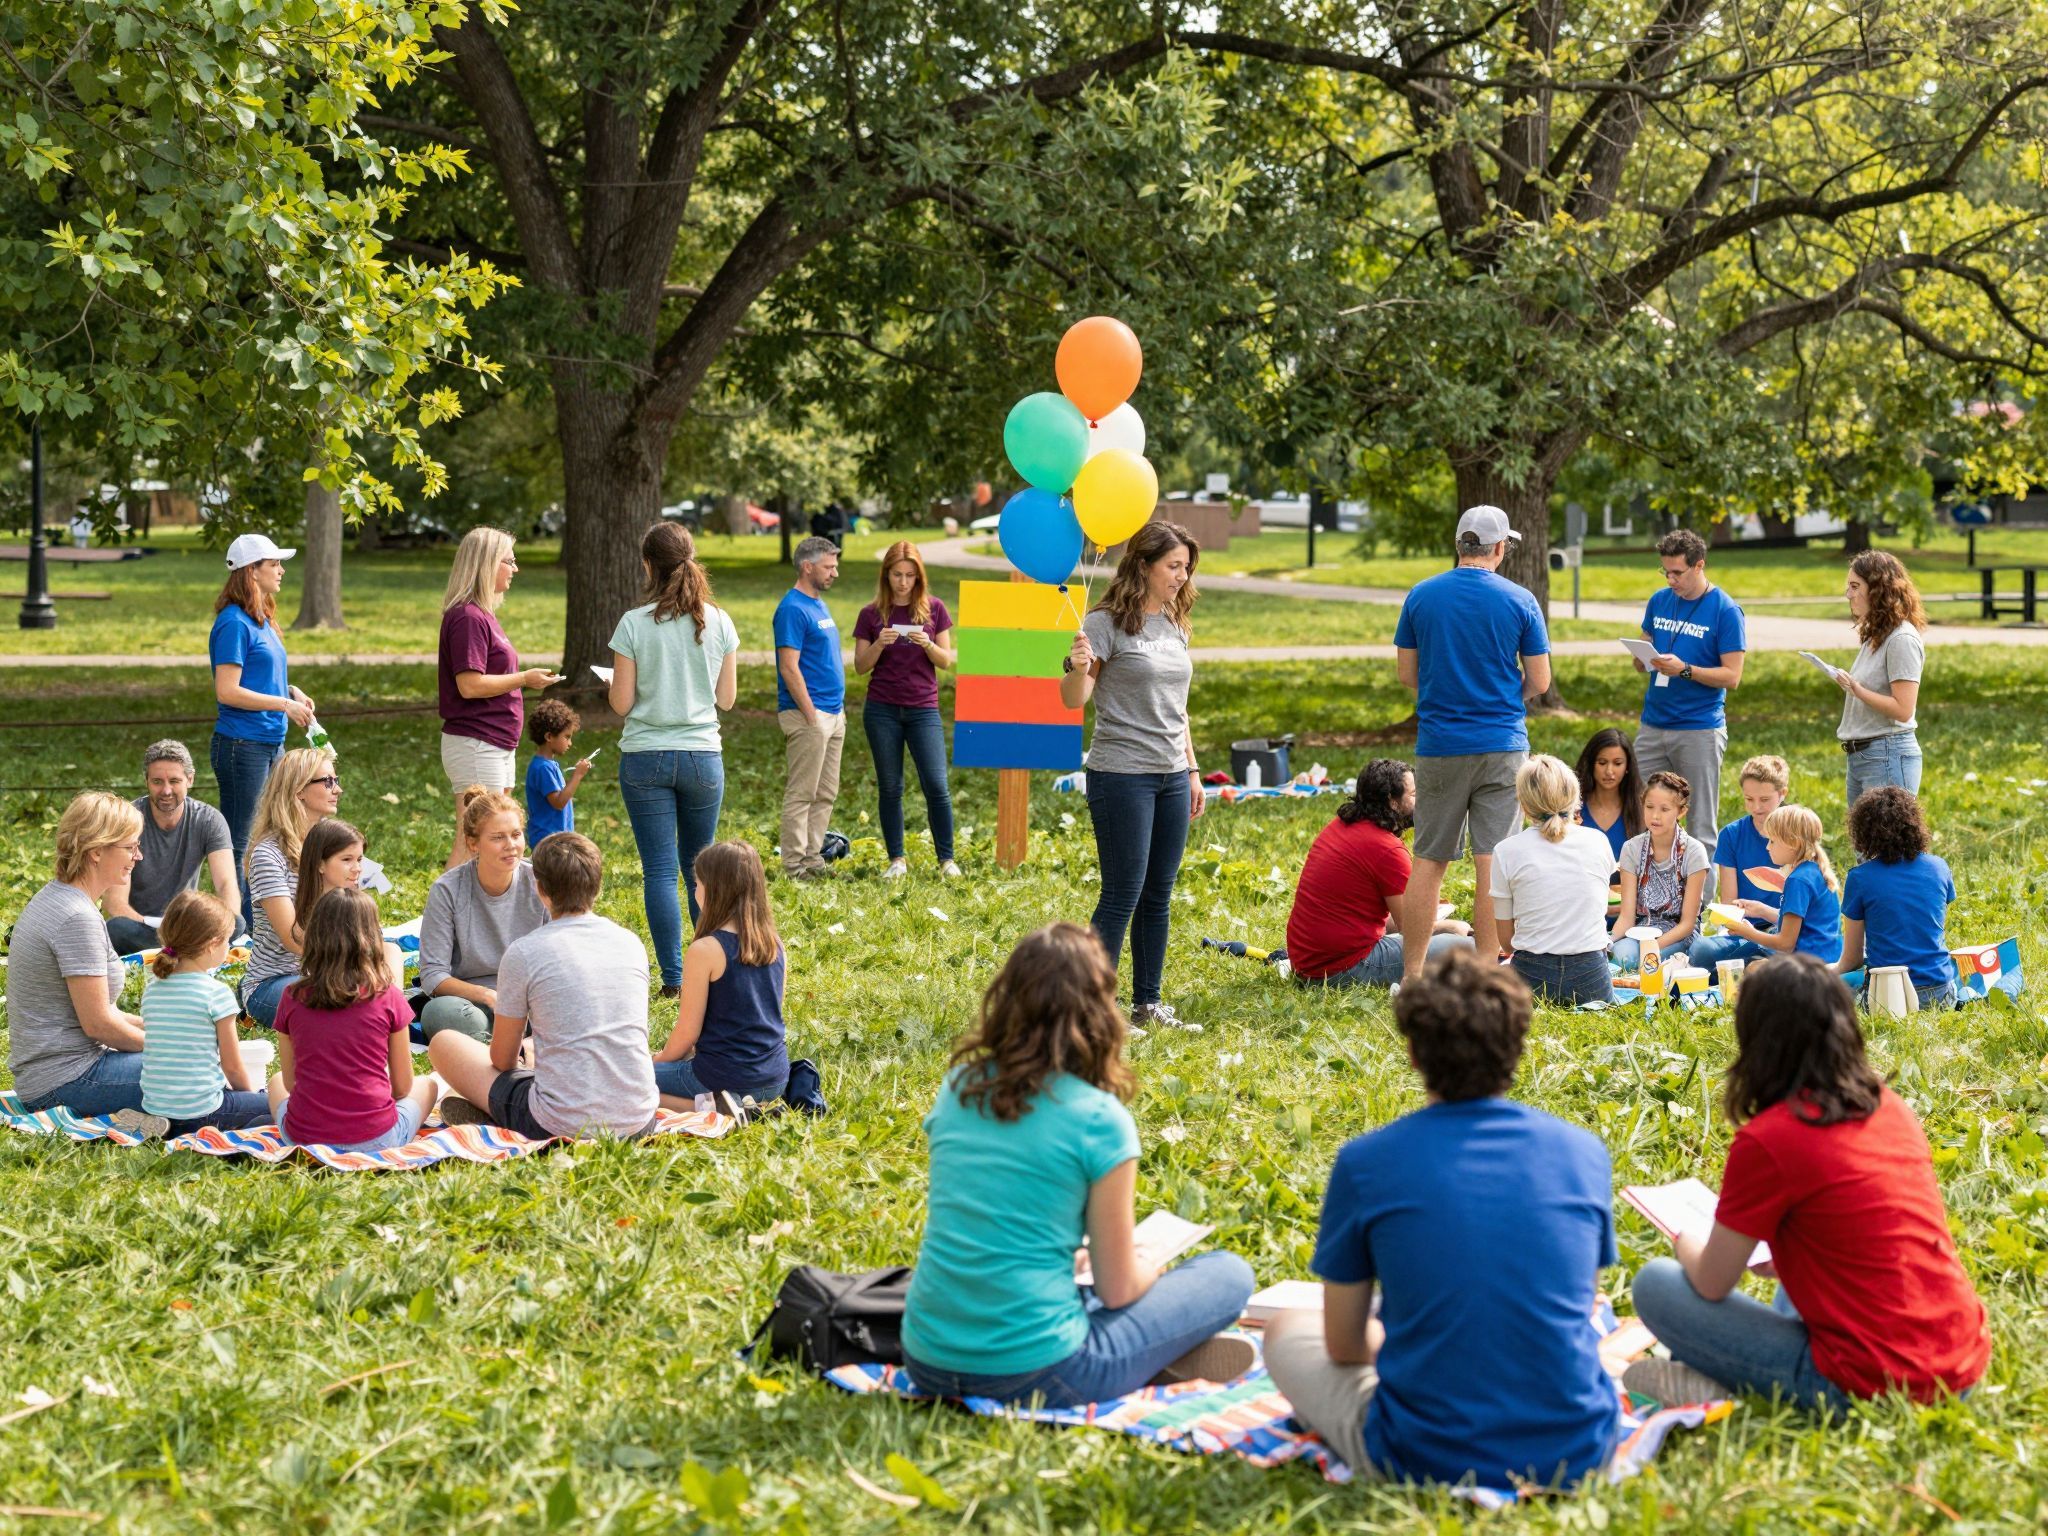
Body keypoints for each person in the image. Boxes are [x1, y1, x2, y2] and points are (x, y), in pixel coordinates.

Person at [1263, 948, 1619, 1489]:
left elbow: (1342, 1344)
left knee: (1289, 1329)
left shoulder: (1366, 1162)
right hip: (1577, 1445)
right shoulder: (1584, 1152)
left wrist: (1414, 1336)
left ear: (1412, 1051)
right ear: (1518, 1044)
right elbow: (1581, 1307)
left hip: (1423, 1453)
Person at [900, 924, 1256, 1406]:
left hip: (927, 1358)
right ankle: (1154, 1358)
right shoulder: (1099, 1119)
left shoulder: (959, 1086)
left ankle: (1155, 1357)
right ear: (1099, 1013)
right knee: (1229, 1273)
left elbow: (997, 1211)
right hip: (1041, 1372)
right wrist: (1148, 1264)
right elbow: (1118, 1289)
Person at [1627, 955, 1989, 1410]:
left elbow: (1712, 1282)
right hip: (1958, 1361)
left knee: (1656, 1283)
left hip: (1869, 1385)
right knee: (1788, 1283)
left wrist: (1684, 1239)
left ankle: (1727, 1384)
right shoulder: (1888, 1106)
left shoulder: (1770, 1140)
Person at [1392, 505, 1551, 981]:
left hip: (1440, 744)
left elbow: (1407, 674)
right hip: (1502, 744)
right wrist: (1505, 697)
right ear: (1500, 548)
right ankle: (1486, 972)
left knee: (1429, 860)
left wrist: (1447, 696)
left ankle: (1413, 976)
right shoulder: (1522, 600)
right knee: (1492, 864)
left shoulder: (1421, 596)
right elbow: (1540, 681)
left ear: (1459, 544)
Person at [1060, 522, 1207, 1030]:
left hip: (1170, 775)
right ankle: (1091, 1009)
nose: (1181, 575)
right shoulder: (1104, 624)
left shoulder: (1175, 622)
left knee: (1158, 894)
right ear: (1143, 565)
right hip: (1121, 774)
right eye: (1173, 566)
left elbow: (1179, 709)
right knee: (1123, 891)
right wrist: (1077, 667)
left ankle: (1147, 1004)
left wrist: (1190, 769)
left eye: (1186, 566)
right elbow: (1073, 700)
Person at [430, 832, 661, 1140]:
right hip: (639, 1119)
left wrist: (530, 1053)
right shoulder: (631, 943)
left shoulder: (525, 952)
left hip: (557, 1122)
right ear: (599, 885)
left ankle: (495, 1112)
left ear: (540, 889)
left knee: (444, 1043)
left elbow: (501, 1061)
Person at [610, 521, 741, 989]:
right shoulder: (719, 621)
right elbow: (726, 699)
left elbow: (621, 704)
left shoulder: (633, 624)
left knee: (660, 871)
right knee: (699, 869)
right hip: (703, 757)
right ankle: (713, 970)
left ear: (648, 565)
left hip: (646, 757)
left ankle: (672, 976)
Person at [5, 793, 151, 1124]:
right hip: (65, 1082)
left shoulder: (63, 898)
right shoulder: (75, 916)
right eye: (130, 847)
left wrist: (165, 1031)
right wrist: (172, 1050)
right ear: (96, 851)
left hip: (59, 1074)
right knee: (198, 1070)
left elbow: (104, 1012)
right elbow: (99, 1025)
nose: (137, 856)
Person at [266, 888, 442, 1153]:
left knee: (276, 1080)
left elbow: (291, 1084)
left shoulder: (291, 996)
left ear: (314, 936)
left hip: (302, 1139)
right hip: (377, 1139)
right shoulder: (389, 996)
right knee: (427, 1084)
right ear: (371, 938)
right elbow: (403, 1087)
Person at [1283, 758, 1473, 987]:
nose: (1420, 801)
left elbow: (1389, 919)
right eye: (1414, 795)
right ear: (1393, 802)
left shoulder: (1340, 826)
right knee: (1469, 948)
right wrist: (1451, 927)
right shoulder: (1387, 850)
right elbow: (1411, 928)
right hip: (1341, 969)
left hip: (1305, 963)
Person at [210, 534, 316, 929]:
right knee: (241, 841)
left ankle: (266, 922)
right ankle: (238, 929)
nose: (281, 570)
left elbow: (259, 676)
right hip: (242, 745)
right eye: (274, 563)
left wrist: (291, 691)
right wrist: (283, 705)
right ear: (251, 571)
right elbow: (227, 690)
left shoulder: (262, 618)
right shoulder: (233, 623)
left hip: (270, 741)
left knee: (270, 835)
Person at [439, 525, 557, 869]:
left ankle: (479, 917)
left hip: (496, 742)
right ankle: (442, 920)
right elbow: (469, 685)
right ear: (487, 563)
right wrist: (525, 678)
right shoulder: (467, 617)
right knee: (472, 841)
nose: (515, 568)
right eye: (510, 560)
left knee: (491, 837)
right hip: (477, 741)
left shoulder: (484, 616)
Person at [651, 841, 791, 1115]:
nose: (695, 890)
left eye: (698, 883)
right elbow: (764, 1019)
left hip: (723, 1078)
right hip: (775, 1078)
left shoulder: (705, 950)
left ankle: (722, 1109)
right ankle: (743, 1107)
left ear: (715, 890)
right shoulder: (775, 944)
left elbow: (687, 1033)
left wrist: (656, 1062)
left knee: (627, 1081)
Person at [852, 540, 959, 879]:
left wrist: (927, 644)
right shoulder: (871, 614)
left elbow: (946, 661)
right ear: (886, 576)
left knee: (936, 785)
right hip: (882, 709)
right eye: (897, 574)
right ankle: (896, 860)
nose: (903, 582)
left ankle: (947, 860)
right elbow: (859, 666)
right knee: (891, 786)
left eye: (909, 575)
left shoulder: (934, 609)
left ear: (919, 577)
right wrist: (880, 645)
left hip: (923, 708)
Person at [1632, 529, 1746, 841]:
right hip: (1653, 724)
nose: (1670, 580)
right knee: (1647, 816)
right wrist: (1642, 658)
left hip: (1698, 728)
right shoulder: (1659, 601)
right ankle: (1654, 888)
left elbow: (1732, 676)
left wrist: (1685, 670)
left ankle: (1701, 892)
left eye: (1677, 572)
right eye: (1665, 571)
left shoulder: (1725, 610)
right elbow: (1644, 648)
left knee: (1699, 824)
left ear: (1699, 566)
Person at [418, 786, 547, 1044]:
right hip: (473, 1004)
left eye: (516, 834)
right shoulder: (447, 890)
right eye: (498, 837)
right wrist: (488, 996)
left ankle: (507, 1045)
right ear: (473, 843)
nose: (511, 846)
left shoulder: (541, 882)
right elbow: (433, 975)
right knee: (438, 1013)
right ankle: (519, 1046)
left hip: (532, 1000)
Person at [1491, 755, 1619, 1006]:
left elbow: (1506, 941)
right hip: (1592, 976)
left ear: (1524, 805)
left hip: (1531, 975)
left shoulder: (1505, 851)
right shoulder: (1598, 841)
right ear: (1574, 798)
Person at [139, 891, 271, 1135]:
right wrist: (251, 1096)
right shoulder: (216, 993)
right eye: (227, 941)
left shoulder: (152, 990)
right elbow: (232, 1068)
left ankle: (165, 1127)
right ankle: (242, 1128)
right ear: (212, 945)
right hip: (203, 1111)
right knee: (277, 1106)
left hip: (156, 1108)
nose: (230, 946)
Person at [100, 739, 240, 955]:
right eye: (157, 781)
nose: (166, 790)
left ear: (190, 780)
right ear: (146, 781)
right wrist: (165, 933)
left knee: (236, 922)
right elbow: (115, 902)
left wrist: (222, 925)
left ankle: (175, 953)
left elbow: (226, 884)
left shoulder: (209, 820)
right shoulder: (128, 819)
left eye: (174, 781)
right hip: (140, 925)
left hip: (187, 924)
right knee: (116, 929)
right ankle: (186, 954)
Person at [240, 748, 343, 1027]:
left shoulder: (334, 845)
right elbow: (294, 939)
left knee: (389, 955)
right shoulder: (268, 854)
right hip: (275, 981)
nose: (338, 789)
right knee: (339, 1003)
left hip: (328, 970)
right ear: (299, 790)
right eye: (328, 782)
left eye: (336, 780)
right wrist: (349, 958)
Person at [1837, 787, 1958, 1010]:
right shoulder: (1939, 867)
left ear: (1862, 833)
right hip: (1942, 994)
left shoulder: (1860, 878)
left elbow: (1852, 959)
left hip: (1888, 999)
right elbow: (1931, 931)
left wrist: (1819, 971)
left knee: (1832, 984)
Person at [774, 536, 847, 879]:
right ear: (807, 566)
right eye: (828, 566)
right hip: (809, 715)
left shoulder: (818, 603)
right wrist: (810, 714)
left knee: (825, 793)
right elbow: (789, 666)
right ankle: (793, 867)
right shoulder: (792, 608)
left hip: (833, 714)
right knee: (803, 793)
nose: (835, 572)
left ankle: (813, 861)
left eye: (835, 565)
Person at [1835, 551, 1928, 803]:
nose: (1849, 594)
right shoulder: (1876, 636)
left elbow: (1903, 709)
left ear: (1879, 589)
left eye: (1856, 586)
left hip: (1888, 754)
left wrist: (1856, 689)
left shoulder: (1901, 639)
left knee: (1894, 843)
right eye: (1849, 587)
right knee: (1865, 843)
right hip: (1861, 755)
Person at [1689, 755, 1789, 973]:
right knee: (1700, 951)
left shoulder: (1796, 832)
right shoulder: (1731, 835)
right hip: (1746, 931)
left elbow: (1803, 912)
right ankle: (1761, 966)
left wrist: (1767, 918)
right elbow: (1730, 904)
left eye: (1764, 800)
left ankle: (1756, 967)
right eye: (1749, 799)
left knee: (1790, 946)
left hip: (1787, 929)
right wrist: (1743, 928)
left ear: (1782, 794)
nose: (1756, 807)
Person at [1709, 805, 1842, 964]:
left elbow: (1785, 944)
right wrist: (1761, 910)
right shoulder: (1814, 870)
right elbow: (1804, 923)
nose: (1767, 847)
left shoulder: (1797, 880)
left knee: (1753, 970)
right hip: (1828, 958)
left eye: (1772, 841)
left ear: (1792, 842)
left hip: (1809, 965)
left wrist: (1748, 932)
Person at [1609, 771, 1709, 972]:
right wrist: (1608, 941)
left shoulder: (1694, 851)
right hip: (1640, 930)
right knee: (1620, 958)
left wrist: (1653, 947)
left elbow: (1688, 923)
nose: (1655, 816)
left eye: (1665, 809)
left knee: (1648, 963)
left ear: (1681, 811)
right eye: (1649, 807)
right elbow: (1627, 917)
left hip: (1678, 934)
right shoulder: (1632, 848)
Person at [524, 698, 592, 845]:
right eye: (566, 737)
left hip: (556, 838)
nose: (570, 743)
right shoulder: (543, 768)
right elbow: (559, 802)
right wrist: (577, 776)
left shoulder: (547, 764)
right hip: (548, 839)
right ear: (549, 737)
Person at [1573, 728, 1642, 861]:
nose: (1609, 771)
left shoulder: (1643, 809)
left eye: (1617, 763)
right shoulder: (1572, 806)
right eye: (1602, 763)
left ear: (1628, 766)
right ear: (1591, 764)